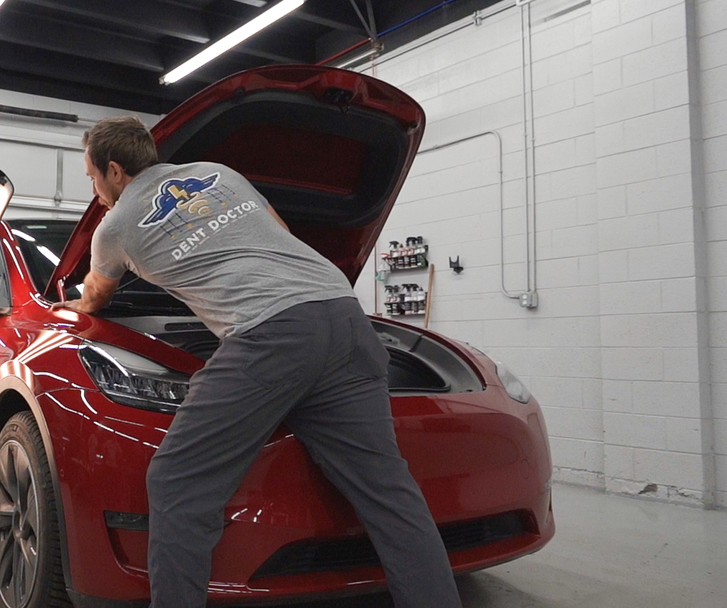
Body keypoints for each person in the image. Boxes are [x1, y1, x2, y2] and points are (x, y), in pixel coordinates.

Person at [54, 116, 462, 608]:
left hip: (271, 336)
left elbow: (96, 295)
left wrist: (72, 305)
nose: (94, 190)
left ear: (115, 170)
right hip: (344, 317)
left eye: (92, 177)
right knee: (388, 494)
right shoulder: (217, 173)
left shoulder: (115, 227)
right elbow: (278, 231)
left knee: (177, 479)